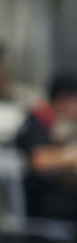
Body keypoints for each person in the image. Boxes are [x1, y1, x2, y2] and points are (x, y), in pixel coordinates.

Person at [16, 74, 77, 219]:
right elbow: (39, 161)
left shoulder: (44, 117)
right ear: (64, 99)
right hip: (36, 203)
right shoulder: (40, 119)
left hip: (35, 197)